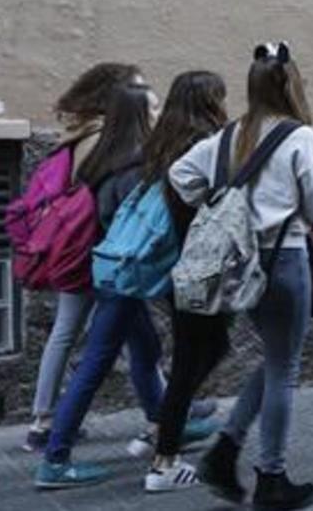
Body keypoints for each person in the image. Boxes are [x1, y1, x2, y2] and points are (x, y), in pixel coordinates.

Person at [36, 81, 222, 488]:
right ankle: (55, 457)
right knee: (96, 362)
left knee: (147, 348)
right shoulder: (136, 164)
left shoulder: (100, 157)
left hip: (108, 269)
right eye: (152, 109)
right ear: (138, 115)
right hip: (124, 277)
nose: (157, 115)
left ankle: (164, 422)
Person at [172, 42, 313, 509]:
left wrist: (216, 204)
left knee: (279, 357)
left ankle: (227, 447)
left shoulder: (227, 137)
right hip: (283, 259)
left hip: (237, 263)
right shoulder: (300, 138)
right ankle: (270, 477)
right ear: (291, 84)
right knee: (285, 368)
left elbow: (180, 175)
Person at [23, 63, 142, 453]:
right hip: (92, 248)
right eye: (136, 88)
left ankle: (43, 419)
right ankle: (166, 410)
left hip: (73, 244)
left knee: (78, 330)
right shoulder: (101, 136)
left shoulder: (78, 130)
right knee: (121, 330)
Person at [144, 71, 235, 492]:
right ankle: (164, 461)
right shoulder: (205, 146)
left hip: (175, 264)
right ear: (207, 101)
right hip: (201, 264)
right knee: (191, 359)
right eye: (220, 96)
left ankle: (164, 430)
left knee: (205, 349)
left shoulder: (162, 143)